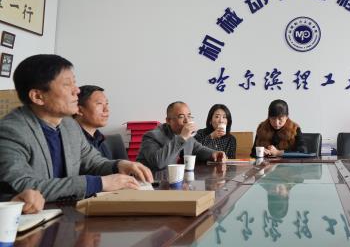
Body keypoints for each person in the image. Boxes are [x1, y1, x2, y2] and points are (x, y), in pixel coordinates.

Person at [0, 54, 153, 203]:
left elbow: (93, 162)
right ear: (38, 96)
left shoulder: (69, 125)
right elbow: (21, 186)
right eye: (67, 84)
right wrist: (99, 183)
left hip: (69, 212)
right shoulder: (12, 130)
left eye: (75, 83)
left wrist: (119, 165)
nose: (77, 91)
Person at [137, 101, 226, 172]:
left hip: (178, 182)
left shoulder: (187, 136)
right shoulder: (152, 136)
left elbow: (198, 149)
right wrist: (182, 137)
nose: (187, 121)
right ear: (168, 120)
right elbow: (158, 163)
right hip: (150, 184)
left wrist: (213, 153)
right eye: (181, 117)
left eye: (189, 116)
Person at [74, 85, 112, 158]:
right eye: (99, 104)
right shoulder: (71, 141)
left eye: (106, 103)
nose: (106, 110)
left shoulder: (100, 139)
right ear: (79, 110)